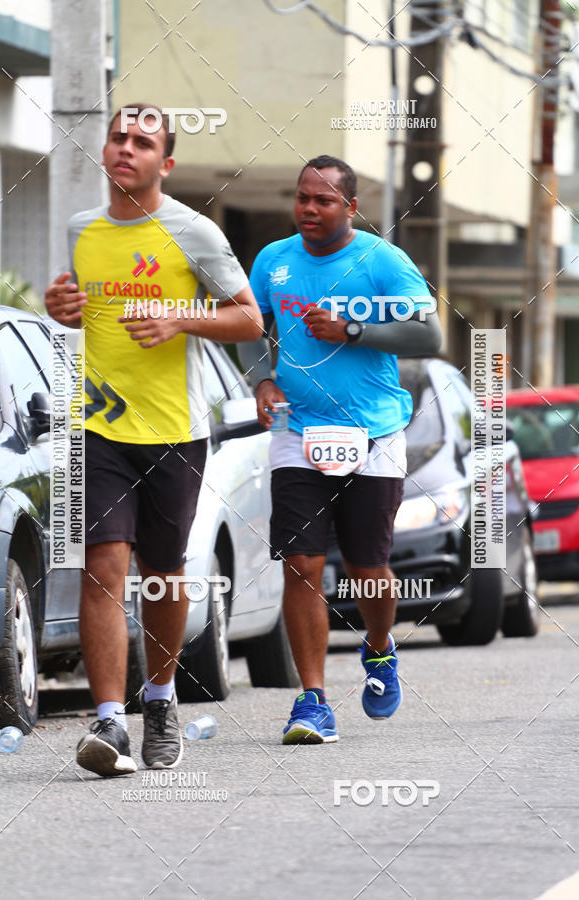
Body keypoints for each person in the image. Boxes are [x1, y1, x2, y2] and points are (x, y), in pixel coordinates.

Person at [45, 103, 262, 776]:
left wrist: (180, 318)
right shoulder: (83, 229)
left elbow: (249, 319)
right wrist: (60, 309)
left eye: (141, 142)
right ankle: (110, 721)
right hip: (97, 425)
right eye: (118, 138)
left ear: (164, 163)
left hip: (173, 430)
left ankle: (161, 699)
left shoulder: (193, 232)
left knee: (163, 578)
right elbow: (81, 312)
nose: (125, 149)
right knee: (102, 566)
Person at [239, 155, 441, 744]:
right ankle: (313, 701)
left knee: (366, 567)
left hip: (373, 432)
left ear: (350, 207)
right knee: (301, 564)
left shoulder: (382, 261)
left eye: (323, 200)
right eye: (302, 197)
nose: (309, 209)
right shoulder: (273, 260)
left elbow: (429, 334)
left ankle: (378, 648)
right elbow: (250, 328)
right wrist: (262, 380)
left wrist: (354, 330)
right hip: (296, 430)